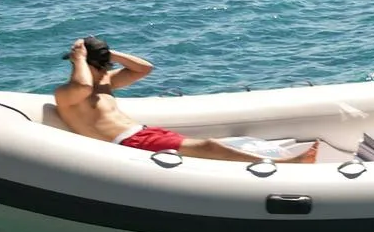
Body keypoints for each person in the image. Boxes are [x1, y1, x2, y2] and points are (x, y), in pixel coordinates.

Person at [53, 36, 316, 163]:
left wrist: (112, 53)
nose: (103, 70)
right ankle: (287, 164)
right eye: (99, 65)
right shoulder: (68, 93)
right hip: (127, 142)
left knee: (206, 151)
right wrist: (79, 59)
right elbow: (83, 85)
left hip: (142, 133)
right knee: (209, 146)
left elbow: (144, 69)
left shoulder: (104, 81)